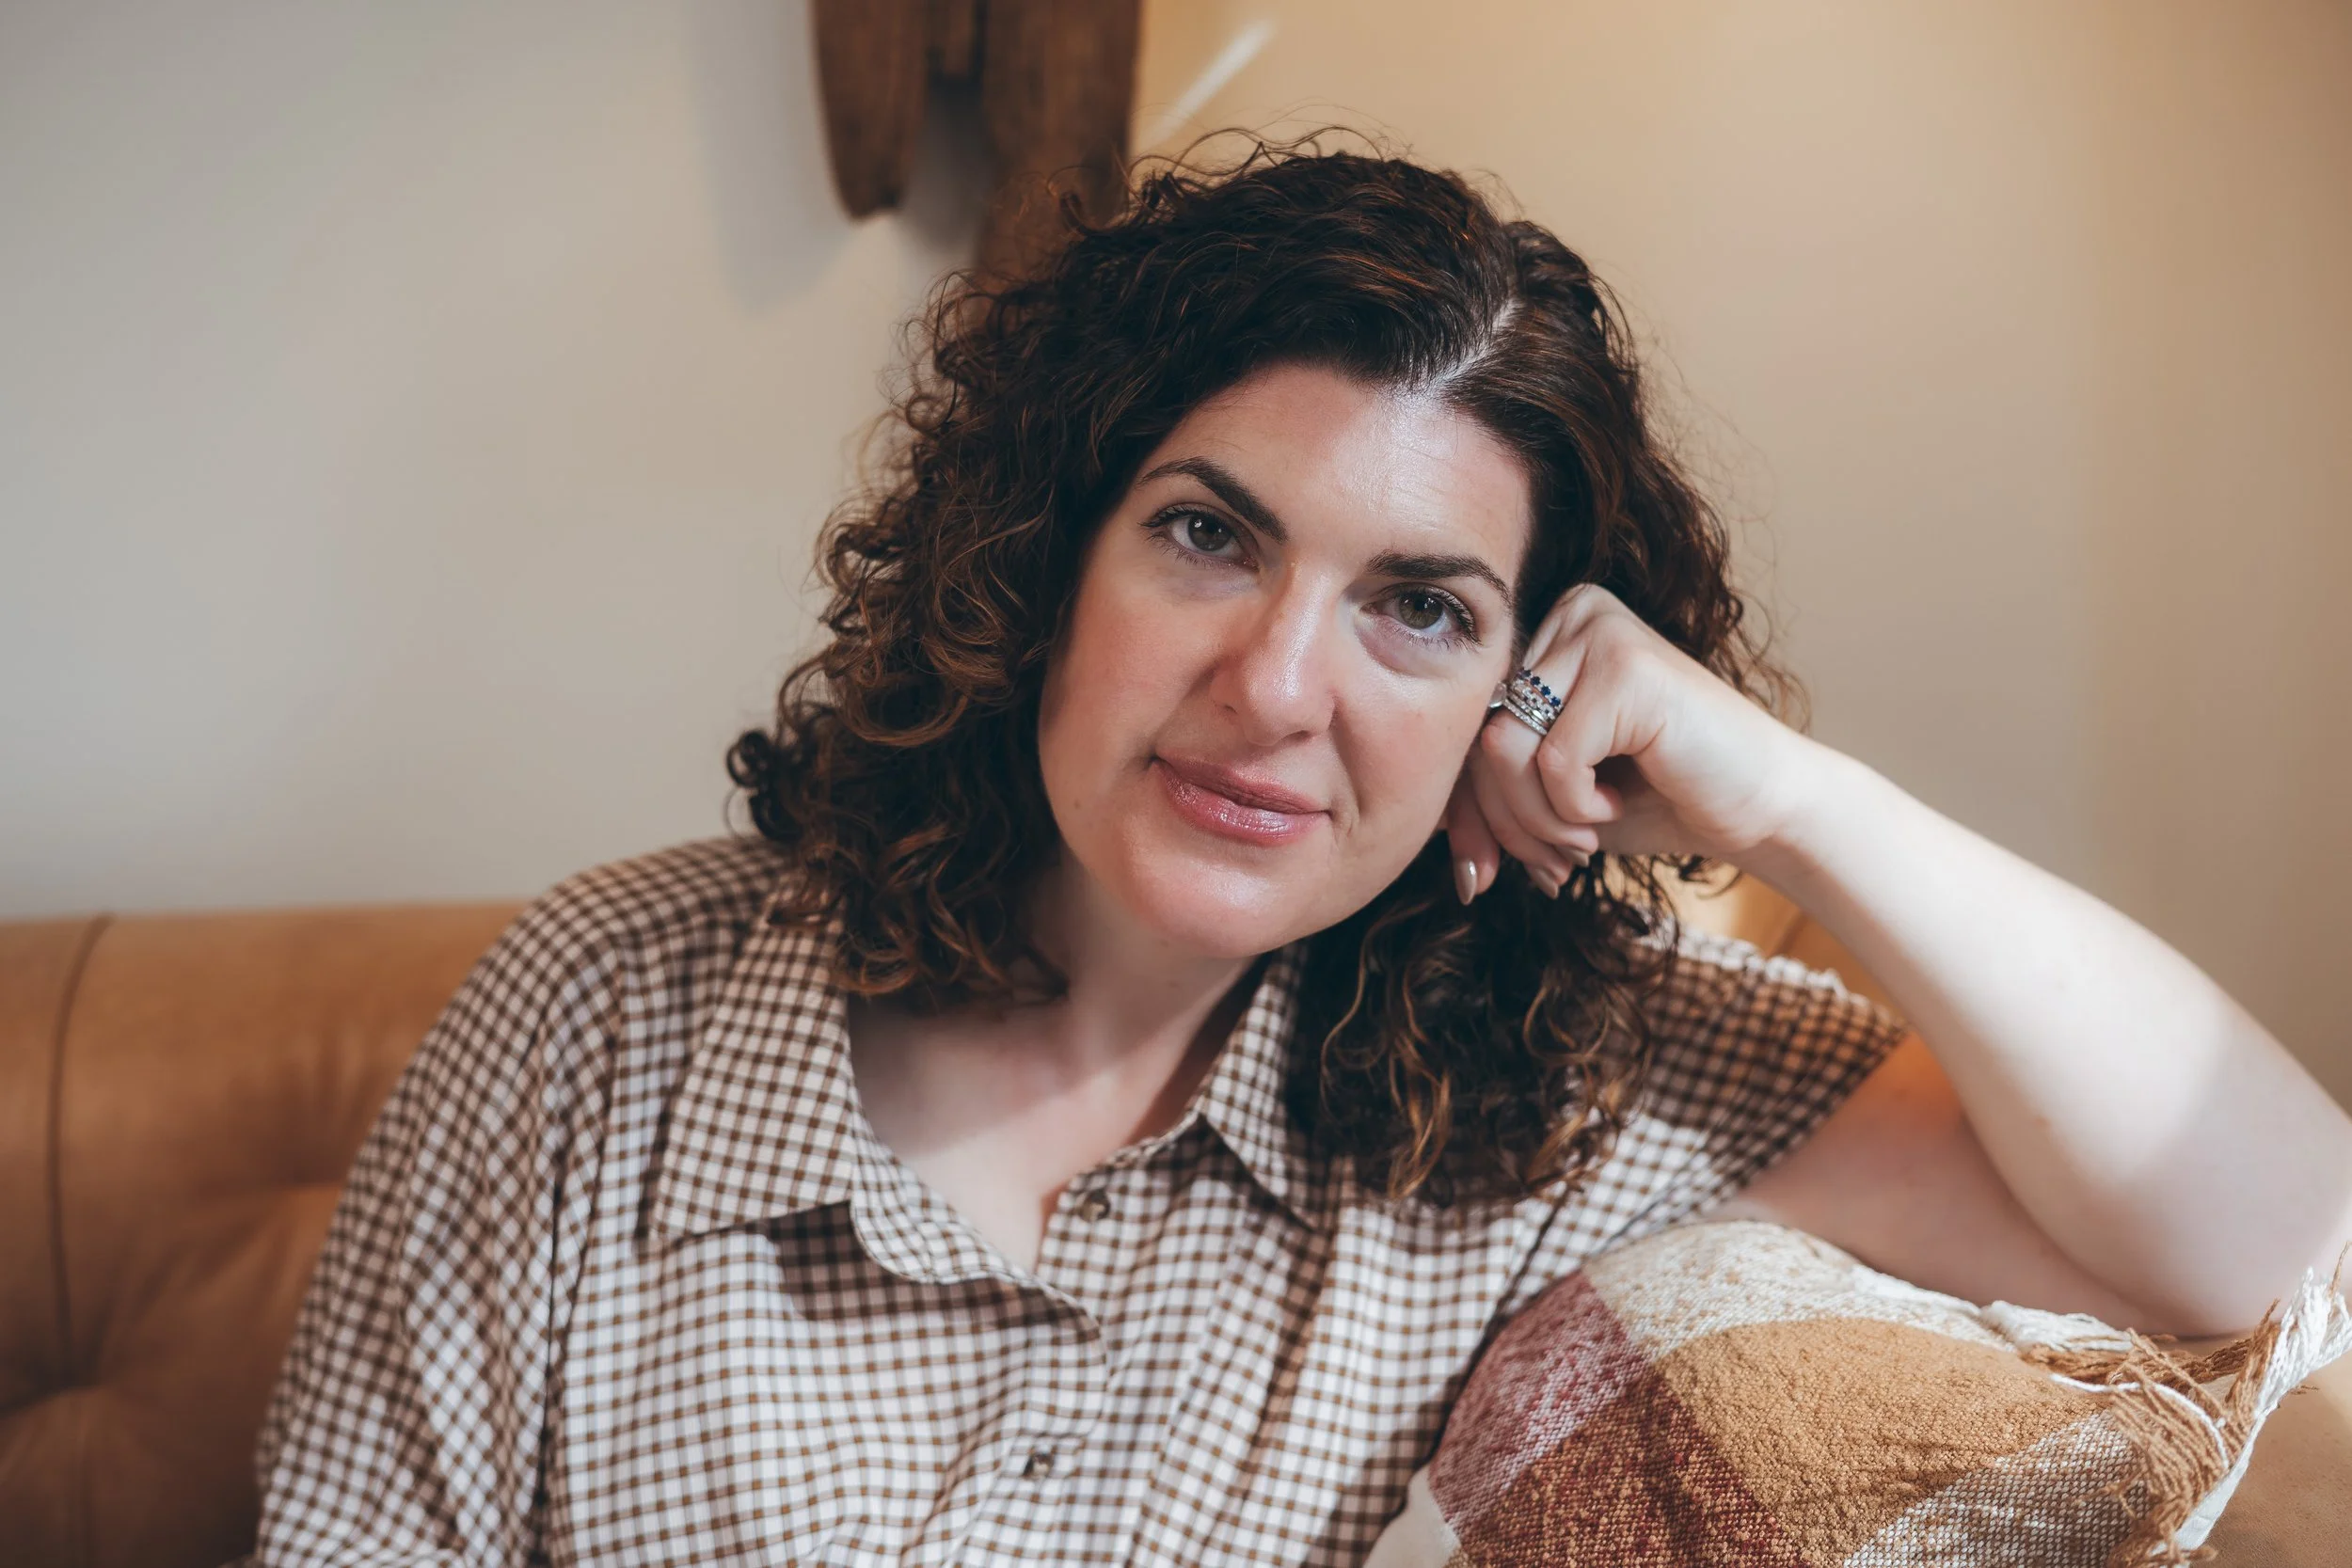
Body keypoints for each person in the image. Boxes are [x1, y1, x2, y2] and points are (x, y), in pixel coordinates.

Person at [248, 145, 2352, 1567]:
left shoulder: (1561, 1083)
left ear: (1516, 692)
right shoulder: (609, 1016)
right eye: (1205, 533)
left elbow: (2268, 1226)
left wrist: (1779, 792)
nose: (1275, 686)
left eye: (1416, 608)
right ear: (1041, 554)